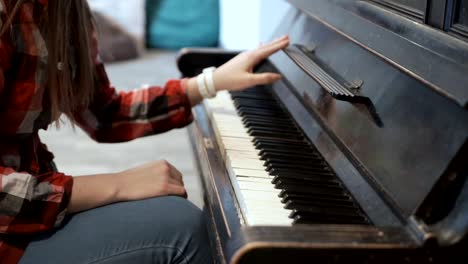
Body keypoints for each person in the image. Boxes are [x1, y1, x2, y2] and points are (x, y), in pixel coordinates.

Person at [0, 0, 290, 263]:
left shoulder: (68, 12)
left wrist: (209, 83)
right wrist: (117, 184)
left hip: (30, 208)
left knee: (172, 212)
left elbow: (105, 114)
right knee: (182, 229)